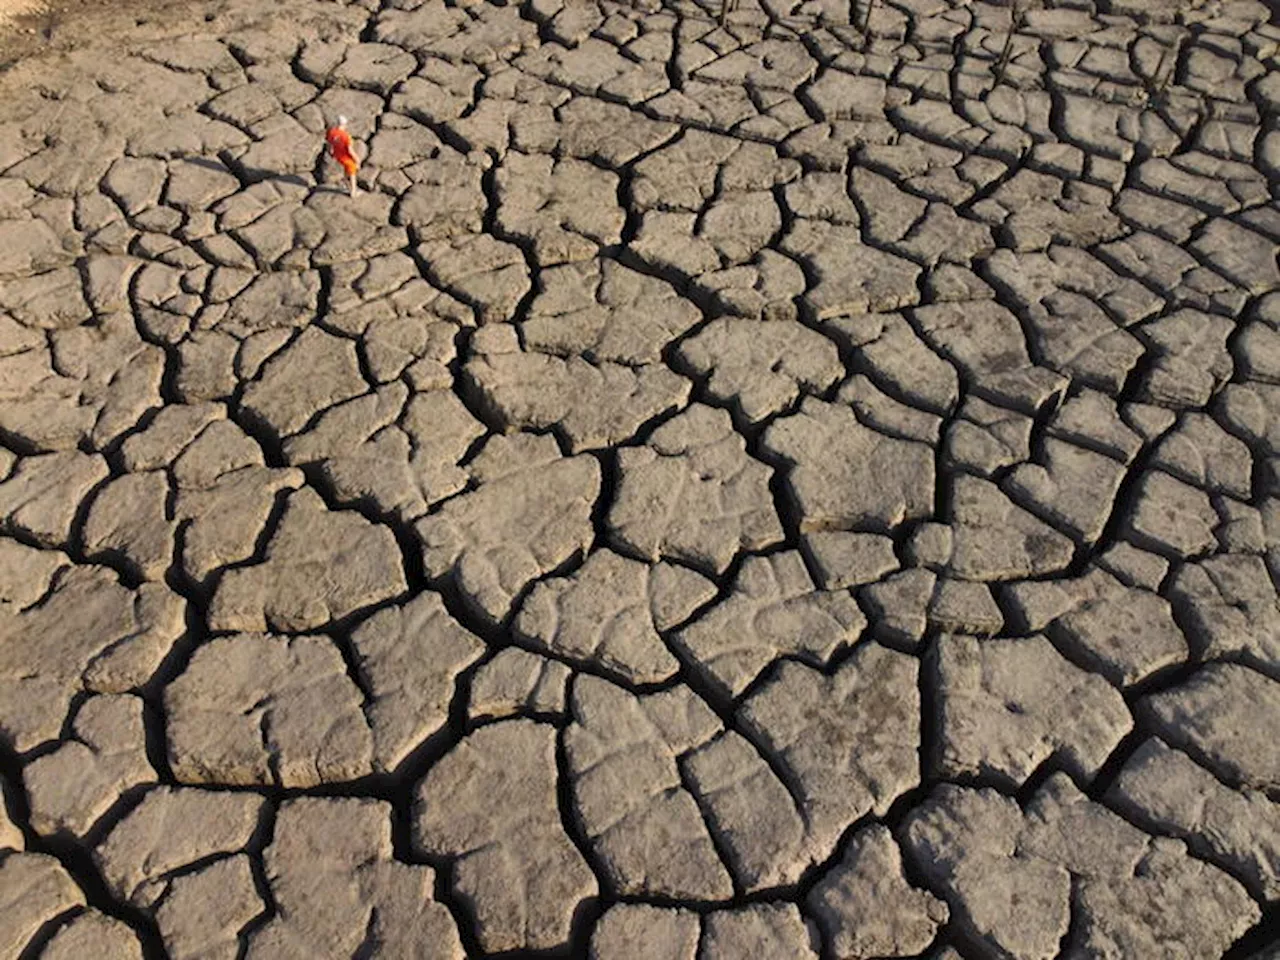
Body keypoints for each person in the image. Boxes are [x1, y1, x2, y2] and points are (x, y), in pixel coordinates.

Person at [325, 116, 361, 198]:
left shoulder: (332, 132)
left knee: (346, 170)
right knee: (352, 173)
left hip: (338, 156)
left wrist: (331, 152)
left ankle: (347, 184)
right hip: (346, 158)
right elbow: (350, 150)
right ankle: (353, 192)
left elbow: (329, 144)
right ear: (344, 124)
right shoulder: (346, 136)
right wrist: (357, 159)